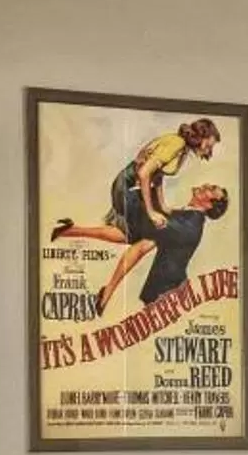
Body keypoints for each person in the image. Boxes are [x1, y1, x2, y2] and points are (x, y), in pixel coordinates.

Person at [50, 117, 220, 258]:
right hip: (127, 189)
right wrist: (152, 212)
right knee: (144, 232)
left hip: (134, 188)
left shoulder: (181, 148)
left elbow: (158, 175)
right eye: (209, 145)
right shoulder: (176, 144)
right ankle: (69, 231)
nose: (208, 151)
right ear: (200, 136)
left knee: (131, 235)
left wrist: (162, 206)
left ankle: (68, 230)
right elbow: (144, 174)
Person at [96, 183, 229, 313]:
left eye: (211, 189)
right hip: (163, 294)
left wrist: (143, 186)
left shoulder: (188, 224)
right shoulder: (185, 216)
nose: (206, 185)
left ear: (209, 205)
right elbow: (140, 247)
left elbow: (143, 223)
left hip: (167, 295)